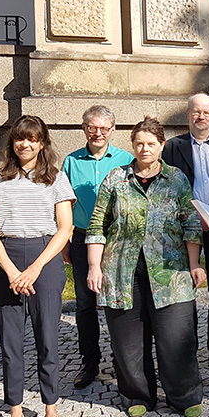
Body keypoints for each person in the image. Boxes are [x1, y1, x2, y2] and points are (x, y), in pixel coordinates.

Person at [86, 117, 206, 417]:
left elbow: (191, 223)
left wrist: (194, 264)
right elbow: (98, 224)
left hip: (171, 272)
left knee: (176, 337)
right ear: (132, 145)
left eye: (151, 143)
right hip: (122, 272)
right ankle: (137, 394)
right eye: (139, 143)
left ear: (161, 145)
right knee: (129, 341)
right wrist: (94, 267)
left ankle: (184, 396)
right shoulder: (116, 179)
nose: (144, 148)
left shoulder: (176, 179)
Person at [0, 115, 76, 417]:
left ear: (42, 142)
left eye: (32, 138)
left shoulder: (56, 179)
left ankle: (50, 407)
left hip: (44, 260)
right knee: (11, 344)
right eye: (20, 138)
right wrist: (12, 272)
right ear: (12, 142)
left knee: (48, 339)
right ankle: (15, 410)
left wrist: (33, 269)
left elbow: (65, 229)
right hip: (6, 259)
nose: (25, 144)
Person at [163, 93, 209, 372]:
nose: (201, 117)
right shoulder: (172, 147)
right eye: (196, 112)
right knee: (185, 289)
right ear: (188, 114)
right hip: (185, 228)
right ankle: (187, 348)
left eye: (206, 112)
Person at [62, 105, 131, 390]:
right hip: (80, 238)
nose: (98, 132)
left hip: (116, 241)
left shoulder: (126, 159)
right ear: (84, 129)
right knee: (85, 305)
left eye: (104, 127)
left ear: (113, 130)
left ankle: (122, 360)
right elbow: (63, 204)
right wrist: (63, 240)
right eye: (92, 127)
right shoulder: (71, 161)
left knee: (119, 302)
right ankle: (89, 361)